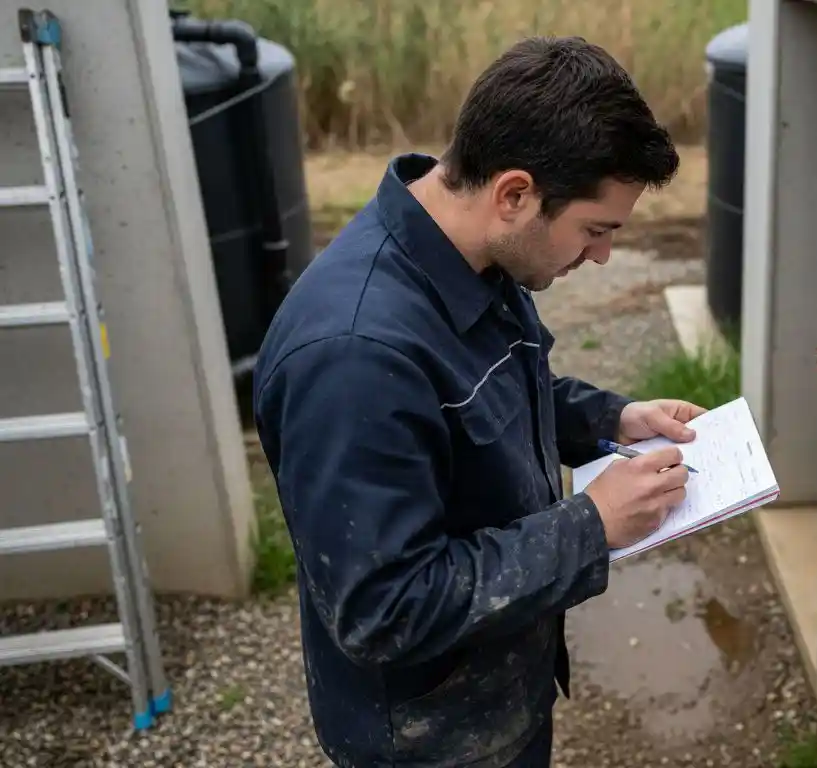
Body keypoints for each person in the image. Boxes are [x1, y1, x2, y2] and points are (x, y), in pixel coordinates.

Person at [252, 36, 707, 768]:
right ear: (515, 194)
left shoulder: (477, 256)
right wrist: (590, 526)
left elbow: (493, 388)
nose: (602, 257)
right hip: (431, 741)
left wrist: (609, 419)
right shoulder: (355, 357)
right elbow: (384, 610)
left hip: (497, 696)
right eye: (596, 230)